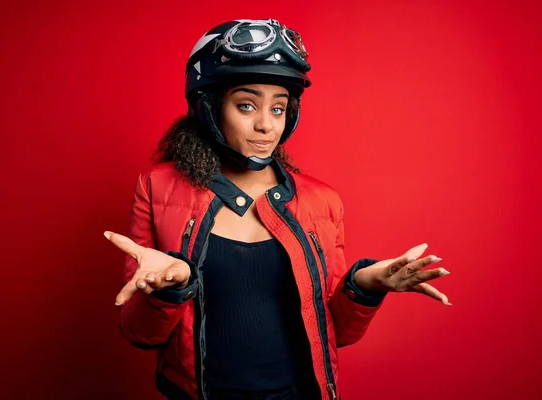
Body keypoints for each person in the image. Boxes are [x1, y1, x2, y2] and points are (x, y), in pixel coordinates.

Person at [103, 19, 451, 400]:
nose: (266, 126)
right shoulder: (157, 188)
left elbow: (338, 333)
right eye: (246, 105)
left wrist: (366, 286)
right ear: (208, 107)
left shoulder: (323, 201)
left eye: (279, 108)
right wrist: (171, 288)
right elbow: (140, 333)